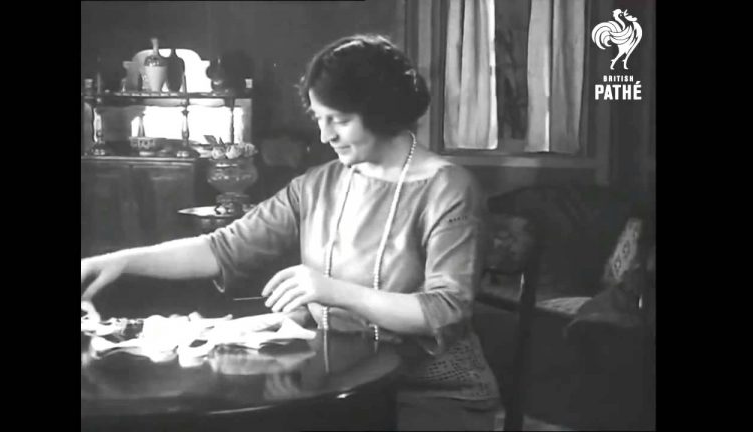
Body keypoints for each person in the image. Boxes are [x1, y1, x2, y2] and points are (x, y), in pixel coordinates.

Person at [81, 33, 499, 430]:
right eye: (320, 118)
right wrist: (121, 261)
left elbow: (446, 310)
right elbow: (222, 248)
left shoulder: (448, 187)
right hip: (336, 387)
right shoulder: (319, 183)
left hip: (429, 395)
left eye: (340, 120)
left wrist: (331, 290)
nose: (324, 134)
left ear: (381, 111)